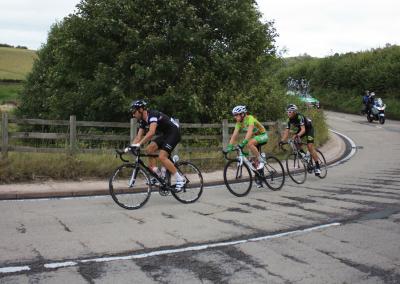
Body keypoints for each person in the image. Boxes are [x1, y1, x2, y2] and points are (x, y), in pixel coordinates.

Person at [129, 100, 185, 191]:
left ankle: (180, 179)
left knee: (162, 157)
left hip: (174, 132)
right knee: (149, 149)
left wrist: (138, 144)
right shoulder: (143, 121)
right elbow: (138, 137)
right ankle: (157, 175)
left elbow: (151, 132)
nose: (133, 115)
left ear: (141, 109)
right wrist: (130, 147)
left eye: (134, 112)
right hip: (166, 134)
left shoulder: (152, 115)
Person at [226, 105, 269, 187]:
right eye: (234, 115)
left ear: (242, 114)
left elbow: (249, 132)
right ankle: (260, 177)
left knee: (249, 144)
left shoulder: (250, 118)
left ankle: (261, 159)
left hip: (263, 135)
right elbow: (234, 135)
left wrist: (244, 142)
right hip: (255, 138)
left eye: (236, 115)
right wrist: (229, 147)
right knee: (252, 159)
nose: (235, 117)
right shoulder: (239, 123)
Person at [279, 104, 321, 176]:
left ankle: (317, 166)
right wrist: (282, 141)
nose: (288, 113)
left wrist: (297, 135)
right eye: (287, 112)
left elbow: (303, 130)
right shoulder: (288, 120)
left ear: (294, 112)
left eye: (290, 112)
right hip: (301, 129)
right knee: (294, 140)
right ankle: (304, 155)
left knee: (310, 147)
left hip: (309, 129)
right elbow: (286, 131)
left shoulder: (299, 116)